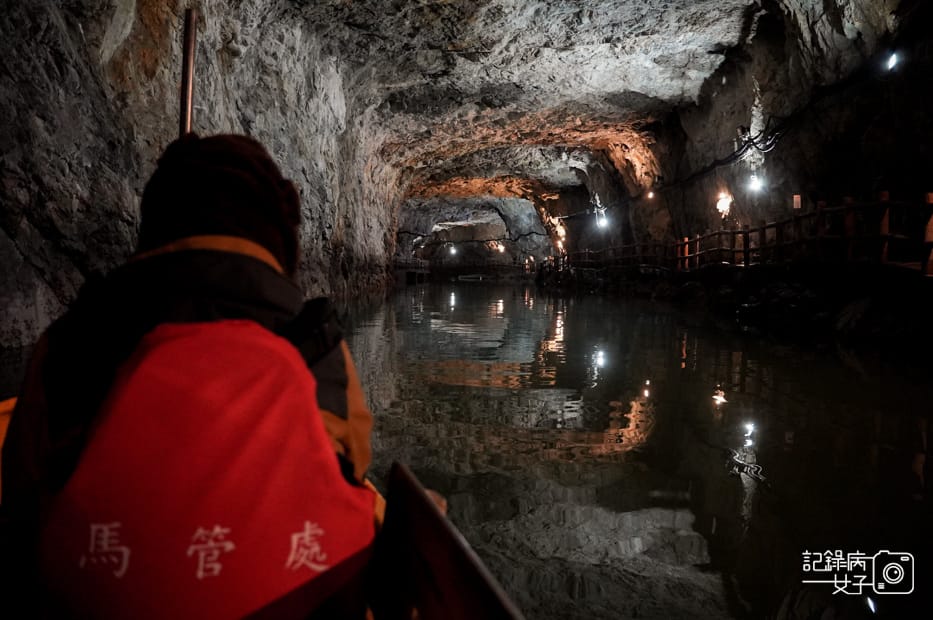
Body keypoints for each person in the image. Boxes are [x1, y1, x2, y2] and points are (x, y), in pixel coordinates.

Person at [0, 134, 379, 617]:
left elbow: (20, 510)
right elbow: (350, 474)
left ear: (155, 223)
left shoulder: (70, 345)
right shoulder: (317, 350)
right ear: (281, 232)